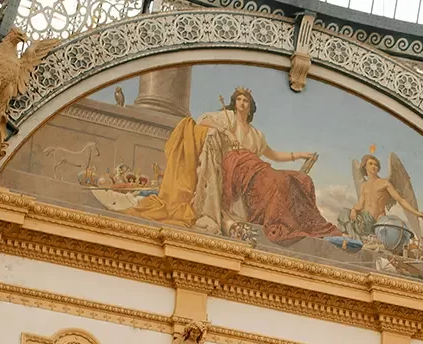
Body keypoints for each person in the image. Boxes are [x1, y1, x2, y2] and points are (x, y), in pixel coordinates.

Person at [134, 86, 338, 245]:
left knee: (299, 179)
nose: (241, 103)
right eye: (239, 99)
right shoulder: (227, 117)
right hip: (236, 167)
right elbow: (203, 120)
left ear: (250, 106)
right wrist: (225, 131)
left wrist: (299, 154)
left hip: (256, 167)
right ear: (234, 103)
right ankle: (276, 221)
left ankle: (298, 222)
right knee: (278, 180)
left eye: (245, 100)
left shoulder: (257, 134)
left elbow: (273, 154)